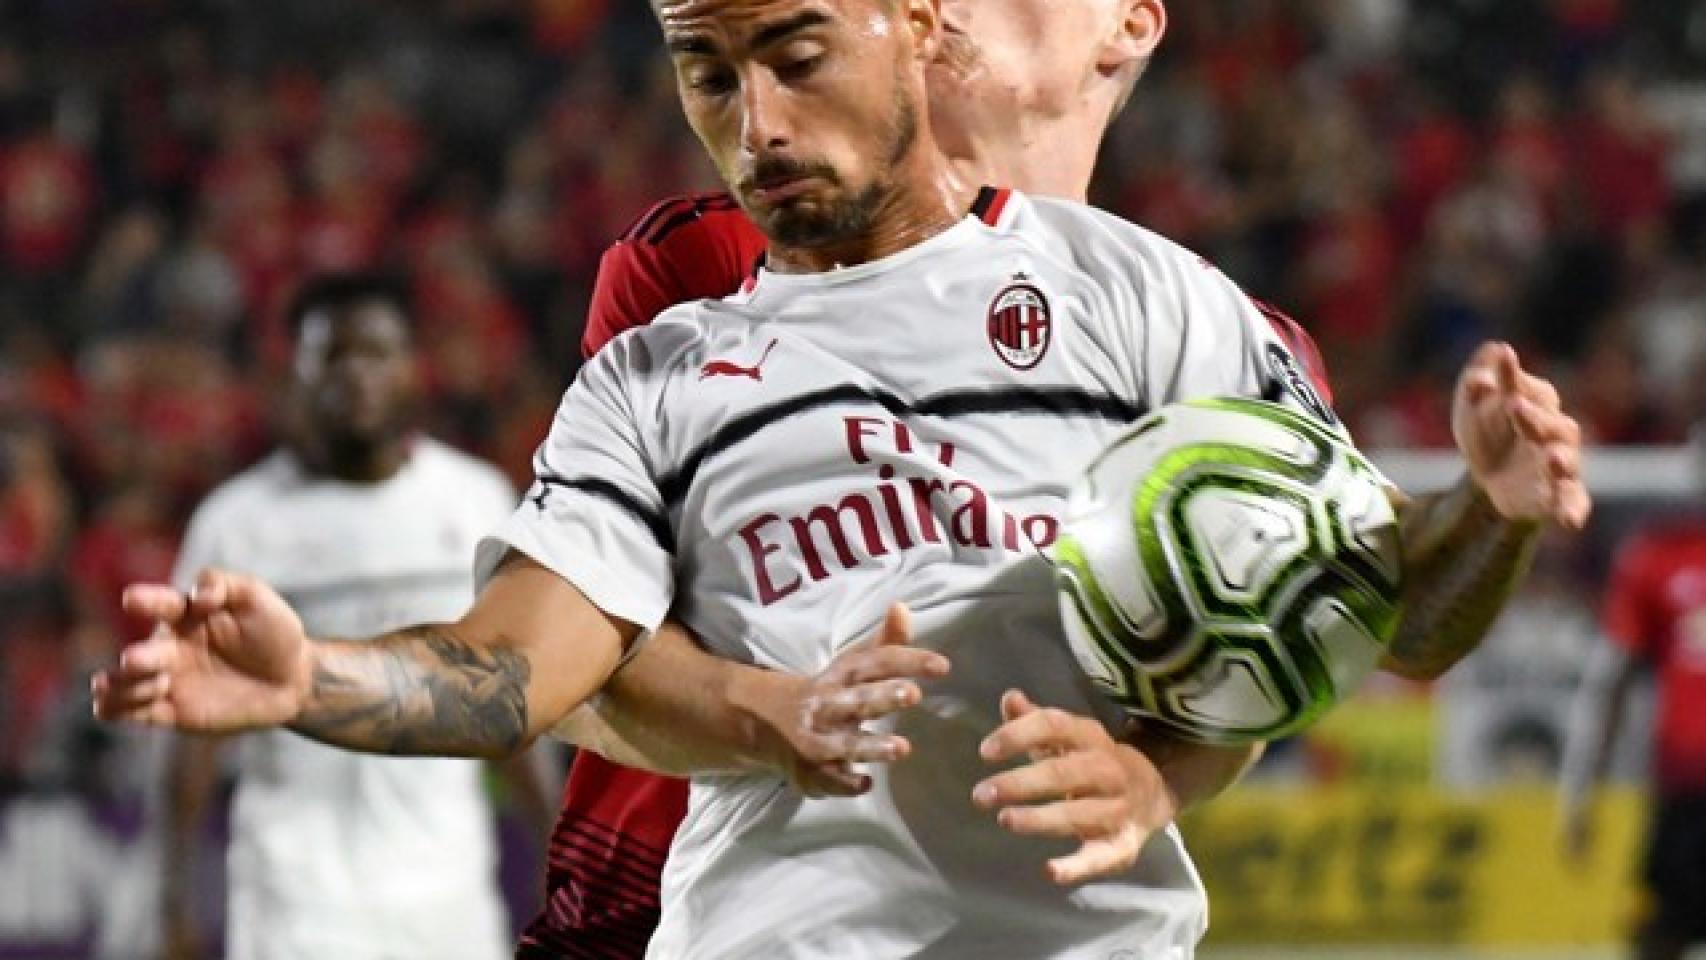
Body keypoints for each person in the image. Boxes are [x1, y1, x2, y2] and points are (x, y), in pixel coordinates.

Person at [93, 1, 1588, 956]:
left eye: (794, 57)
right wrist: (310, 682)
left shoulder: (1143, 300)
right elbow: (513, 672)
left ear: (910, 25)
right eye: (708, 75)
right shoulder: (657, 369)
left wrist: (1494, 516)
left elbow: (1383, 619)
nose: (757, 125)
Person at [154, 273, 557, 960]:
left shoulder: (475, 501)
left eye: (377, 352)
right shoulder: (238, 526)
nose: (356, 374)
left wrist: (561, 864)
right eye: (332, 355)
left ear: (412, 367)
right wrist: (169, 908)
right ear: (295, 374)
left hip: (447, 899)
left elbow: (519, 700)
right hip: (294, 903)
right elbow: (186, 738)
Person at [1560, 477, 1706, 960]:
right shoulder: (1657, 555)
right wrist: (1580, 792)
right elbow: (1609, 686)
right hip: (1688, 794)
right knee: (1661, 934)